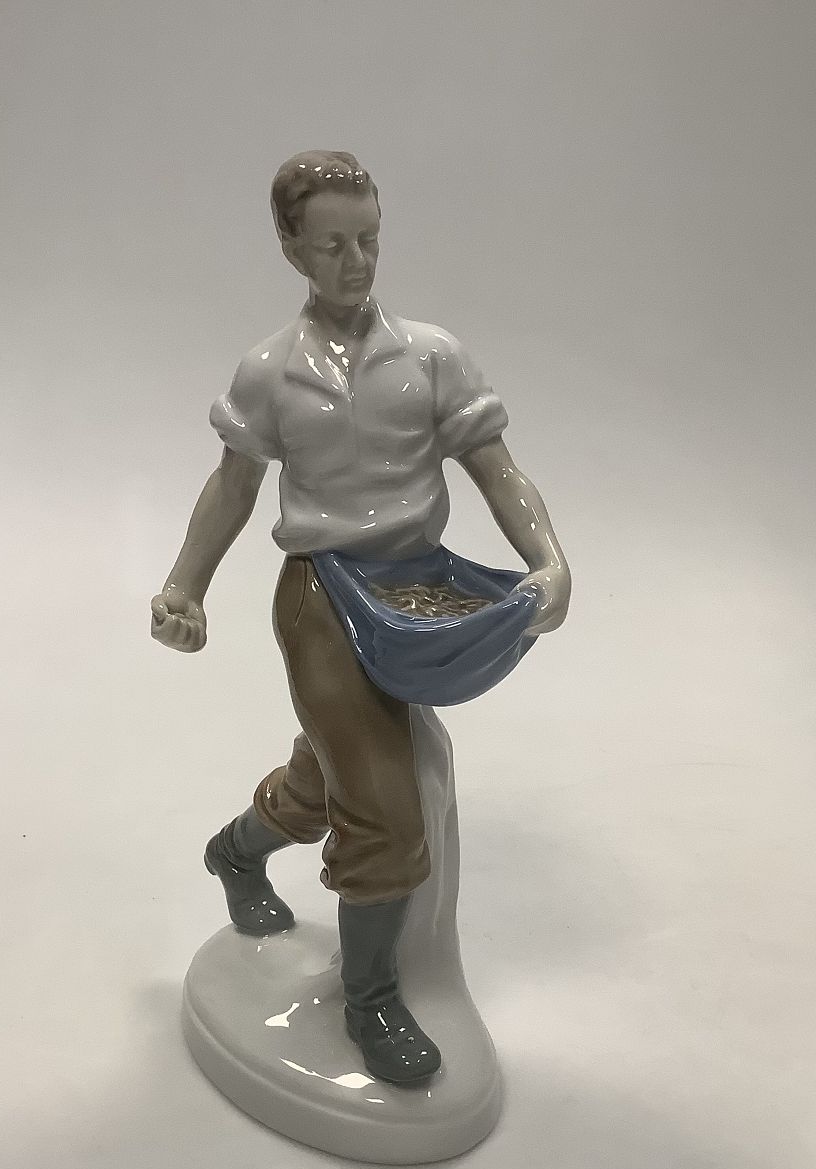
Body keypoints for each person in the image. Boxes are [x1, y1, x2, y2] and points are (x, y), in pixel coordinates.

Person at [151, 150, 570, 1085]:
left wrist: (550, 560)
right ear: (292, 248)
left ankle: (235, 851)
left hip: (419, 585)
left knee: (332, 772)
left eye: (369, 239)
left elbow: (497, 469)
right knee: (382, 801)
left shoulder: (431, 355)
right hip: (321, 596)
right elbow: (231, 489)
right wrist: (185, 589)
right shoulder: (270, 370)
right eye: (333, 244)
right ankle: (370, 997)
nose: (357, 261)